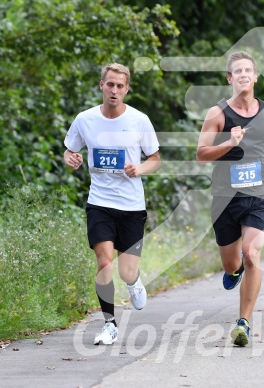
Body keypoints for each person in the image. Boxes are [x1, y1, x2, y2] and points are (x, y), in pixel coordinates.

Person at [196, 51, 264, 347]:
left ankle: (243, 322)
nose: (244, 75)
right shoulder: (217, 113)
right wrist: (229, 143)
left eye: (248, 70)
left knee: (251, 253)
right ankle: (233, 270)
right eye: (238, 71)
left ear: (256, 77)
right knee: (231, 264)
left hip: (261, 193)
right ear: (230, 78)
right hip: (226, 197)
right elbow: (201, 154)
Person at [63, 63, 161, 345]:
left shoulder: (139, 120)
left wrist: (139, 170)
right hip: (100, 203)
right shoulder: (85, 119)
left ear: (126, 89)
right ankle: (109, 323)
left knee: (125, 270)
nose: (114, 90)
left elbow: (155, 159)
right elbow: (70, 151)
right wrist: (71, 159)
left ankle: (133, 281)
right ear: (101, 86)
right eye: (110, 84)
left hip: (131, 206)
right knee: (104, 261)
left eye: (120, 86)